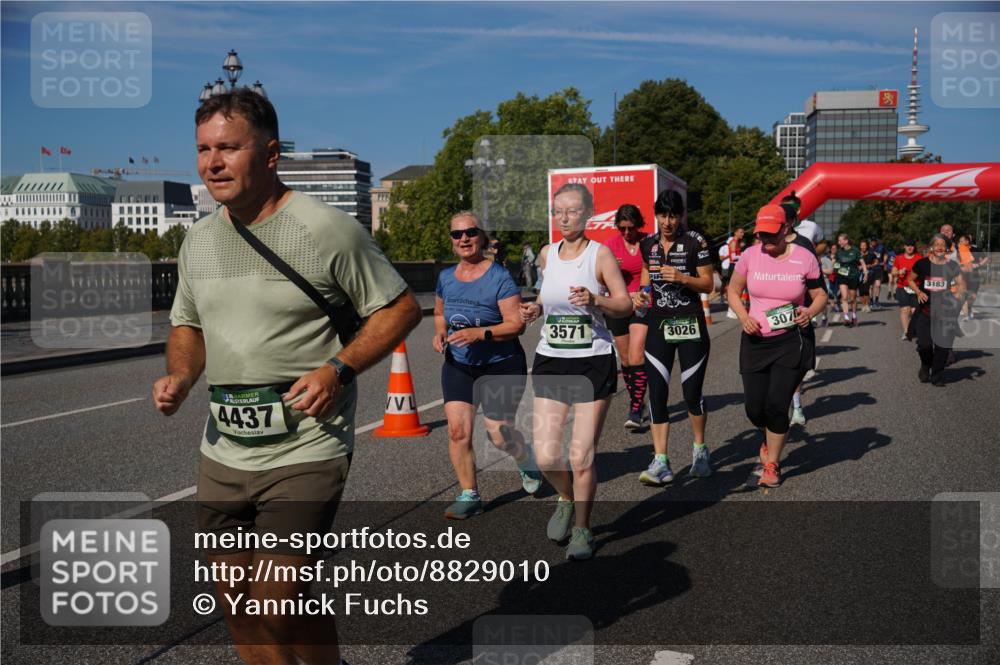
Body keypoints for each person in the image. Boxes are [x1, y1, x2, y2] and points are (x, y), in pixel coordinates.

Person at [154, 90, 421, 665]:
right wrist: (179, 375)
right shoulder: (197, 238)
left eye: (228, 147)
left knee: (275, 601)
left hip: (305, 446)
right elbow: (187, 324)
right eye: (203, 149)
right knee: (238, 603)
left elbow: (400, 309)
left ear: (270, 154)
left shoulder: (327, 229)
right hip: (223, 449)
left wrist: (338, 367)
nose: (212, 163)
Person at [519, 182, 632, 560]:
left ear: (586, 214)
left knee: (581, 455)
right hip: (552, 358)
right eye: (559, 211)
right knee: (548, 456)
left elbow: (625, 304)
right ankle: (565, 498)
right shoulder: (547, 255)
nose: (564, 217)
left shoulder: (599, 256)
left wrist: (596, 299)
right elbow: (544, 296)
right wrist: (535, 309)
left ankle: (583, 528)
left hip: (592, 361)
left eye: (572, 211)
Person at [434, 212, 539, 519]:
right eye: (457, 235)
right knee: (457, 432)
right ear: (452, 242)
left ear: (481, 236)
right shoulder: (445, 278)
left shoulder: (499, 277)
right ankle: (470, 494)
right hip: (459, 364)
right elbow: (440, 313)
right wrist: (440, 333)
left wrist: (479, 333)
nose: (463, 239)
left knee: (498, 433)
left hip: (500, 364)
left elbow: (516, 325)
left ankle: (525, 458)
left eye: (470, 232)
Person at [727, 204, 827, 488]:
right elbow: (733, 290)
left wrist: (810, 312)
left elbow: (820, 294)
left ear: (785, 229)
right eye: (761, 236)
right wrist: (744, 317)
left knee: (777, 404)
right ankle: (768, 438)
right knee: (754, 409)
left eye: (771, 235)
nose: (766, 241)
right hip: (755, 339)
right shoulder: (749, 255)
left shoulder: (805, 258)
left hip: (791, 340)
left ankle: (772, 463)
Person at [633, 190, 715, 485]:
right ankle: (661, 460)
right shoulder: (648, 244)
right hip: (659, 325)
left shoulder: (696, 241)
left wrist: (682, 278)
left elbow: (709, 284)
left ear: (681, 216)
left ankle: (700, 449)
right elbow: (646, 278)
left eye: (673, 215)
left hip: (690, 323)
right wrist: (641, 296)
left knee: (691, 393)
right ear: (656, 215)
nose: (667, 222)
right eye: (662, 215)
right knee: (657, 392)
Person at [602, 203, 650, 429]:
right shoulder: (610, 246)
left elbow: (657, 271)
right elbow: (600, 277)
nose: (626, 233)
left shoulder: (649, 241)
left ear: (638, 225)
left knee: (637, 355)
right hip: (617, 306)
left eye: (631, 228)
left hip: (642, 306)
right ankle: (637, 401)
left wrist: (642, 293)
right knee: (627, 360)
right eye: (622, 228)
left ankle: (636, 408)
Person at [909, 234, 965, 386]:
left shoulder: (952, 266)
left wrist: (958, 296)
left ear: (946, 248)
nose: (940, 247)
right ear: (932, 248)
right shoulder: (922, 264)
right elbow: (910, 279)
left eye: (943, 244)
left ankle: (938, 374)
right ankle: (926, 365)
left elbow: (961, 284)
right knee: (924, 345)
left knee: (942, 346)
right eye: (937, 244)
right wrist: (919, 292)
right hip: (925, 311)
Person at [893, 240, 922, 341]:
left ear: (914, 247)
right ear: (904, 246)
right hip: (902, 287)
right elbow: (893, 272)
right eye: (908, 245)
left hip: (915, 287)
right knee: (905, 310)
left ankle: (914, 329)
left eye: (912, 246)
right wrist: (899, 271)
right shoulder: (899, 258)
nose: (910, 247)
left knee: (914, 311)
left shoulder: (919, 258)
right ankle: (906, 332)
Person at [834, 233, 866, 327]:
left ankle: (854, 316)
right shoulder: (839, 252)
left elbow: (862, 262)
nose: (838, 242)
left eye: (840, 241)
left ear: (846, 241)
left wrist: (866, 273)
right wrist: (835, 267)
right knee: (844, 297)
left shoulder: (855, 250)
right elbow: (836, 263)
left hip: (853, 276)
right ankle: (846, 318)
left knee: (853, 299)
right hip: (842, 276)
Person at [957, 234, 988, 320]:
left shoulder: (976, 249)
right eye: (959, 241)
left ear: (967, 241)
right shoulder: (959, 250)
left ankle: (969, 308)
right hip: (962, 275)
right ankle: (966, 315)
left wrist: (979, 264)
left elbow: (986, 258)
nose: (960, 243)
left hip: (974, 275)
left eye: (961, 241)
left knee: (973, 296)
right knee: (964, 293)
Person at [725, 227, 746, 319]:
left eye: (743, 232)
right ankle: (731, 310)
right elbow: (733, 257)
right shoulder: (733, 242)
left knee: (739, 289)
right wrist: (744, 255)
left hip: (736, 266)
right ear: (735, 232)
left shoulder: (737, 242)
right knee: (734, 289)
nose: (743, 234)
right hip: (732, 266)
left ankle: (734, 309)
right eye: (741, 232)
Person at [858, 240, 875, 313]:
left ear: (867, 246)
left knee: (866, 288)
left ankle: (867, 305)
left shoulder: (871, 254)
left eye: (864, 245)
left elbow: (876, 262)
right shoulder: (857, 254)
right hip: (859, 274)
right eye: (861, 246)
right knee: (861, 290)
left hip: (868, 273)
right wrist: (858, 267)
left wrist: (870, 265)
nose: (863, 247)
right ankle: (863, 305)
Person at [869, 236, 886, 309]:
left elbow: (885, 254)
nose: (873, 242)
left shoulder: (881, 247)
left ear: (876, 241)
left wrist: (884, 262)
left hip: (878, 268)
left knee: (878, 285)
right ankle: (871, 301)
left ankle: (876, 300)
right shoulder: (868, 248)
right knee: (870, 286)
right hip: (871, 269)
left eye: (874, 241)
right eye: (872, 241)